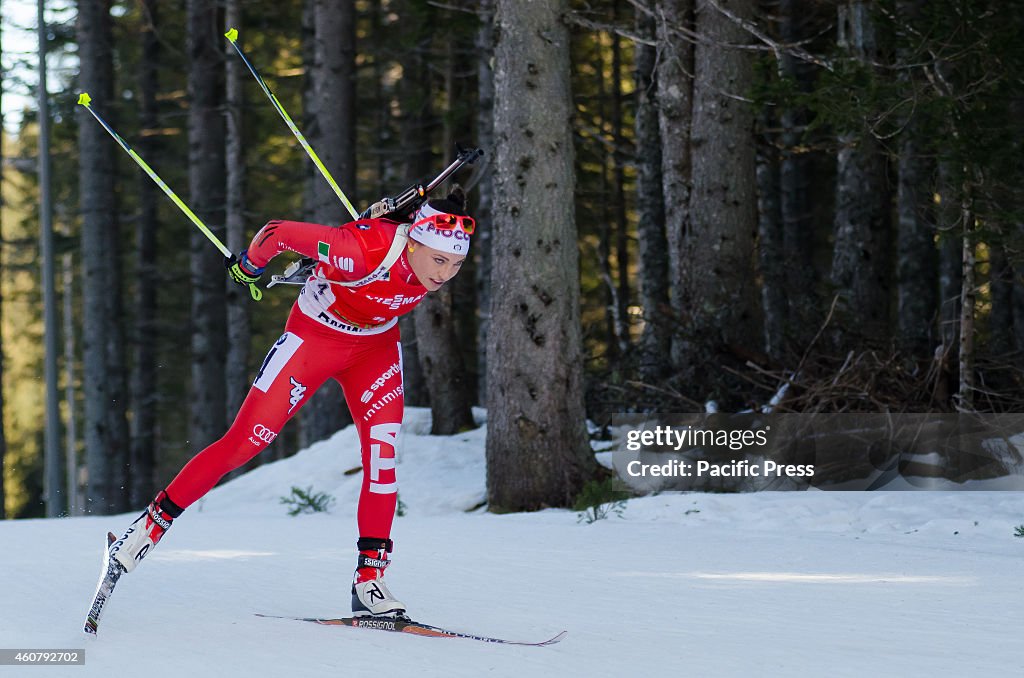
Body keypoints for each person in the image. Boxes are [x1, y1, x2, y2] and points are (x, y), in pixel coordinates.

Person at [108, 186, 474, 619]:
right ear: (414, 241)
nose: (445, 274)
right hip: (315, 338)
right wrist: (249, 266)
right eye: (438, 260)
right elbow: (277, 233)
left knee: (383, 458)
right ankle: (149, 525)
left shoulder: (426, 252)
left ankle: (369, 580)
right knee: (245, 442)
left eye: (456, 264)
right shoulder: (359, 250)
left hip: (374, 350)